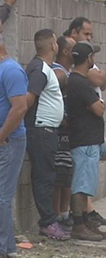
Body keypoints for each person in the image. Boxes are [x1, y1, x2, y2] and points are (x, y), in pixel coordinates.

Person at [64, 17, 106, 226]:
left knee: (85, 183)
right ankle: (79, 224)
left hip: (89, 140)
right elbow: (98, 108)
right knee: (81, 185)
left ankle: (85, 221)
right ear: (88, 58)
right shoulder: (79, 82)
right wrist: (96, 105)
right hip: (83, 141)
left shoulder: (81, 81)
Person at [25, 29, 68, 240]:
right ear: (53, 46)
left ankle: (50, 220)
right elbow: (28, 100)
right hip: (41, 130)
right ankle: (48, 222)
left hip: (48, 129)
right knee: (44, 176)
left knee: (48, 175)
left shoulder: (45, 68)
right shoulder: (39, 69)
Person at [0, 0, 29, 258]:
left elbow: (20, 107)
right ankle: (7, 248)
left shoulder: (10, 70)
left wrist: (1, 136)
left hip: (9, 142)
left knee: (2, 198)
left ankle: (4, 249)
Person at [52, 36, 76, 230]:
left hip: (71, 132)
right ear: (66, 52)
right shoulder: (57, 71)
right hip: (57, 131)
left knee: (68, 173)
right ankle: (55, 217)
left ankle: (65, 213)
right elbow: (61, 80)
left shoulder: (70, 72)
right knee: (58, 174)